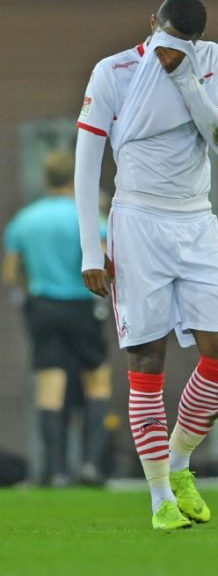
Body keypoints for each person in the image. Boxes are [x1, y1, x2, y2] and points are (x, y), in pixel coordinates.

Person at [74, 0, 218, 529]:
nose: (178, 49)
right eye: (171, 39)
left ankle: (179, 462)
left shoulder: (208, 59)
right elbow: (86, 162)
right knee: (147, 361)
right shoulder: (113, 72)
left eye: (185, 42)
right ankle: (159, 500)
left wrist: (186, 77)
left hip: (196, 220)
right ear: (152, 25)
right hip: (137, 221)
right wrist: (89, 246)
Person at [2, 151, 112, 487]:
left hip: (42, 307)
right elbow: (106, 261)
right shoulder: (88, 216)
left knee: (50, 386)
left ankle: (55, 470)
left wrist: (33, 290)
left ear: (45, 178)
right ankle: (92, 465)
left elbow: (10, 274)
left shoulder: (23, 220)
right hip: (83, 305)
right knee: (97, 382)